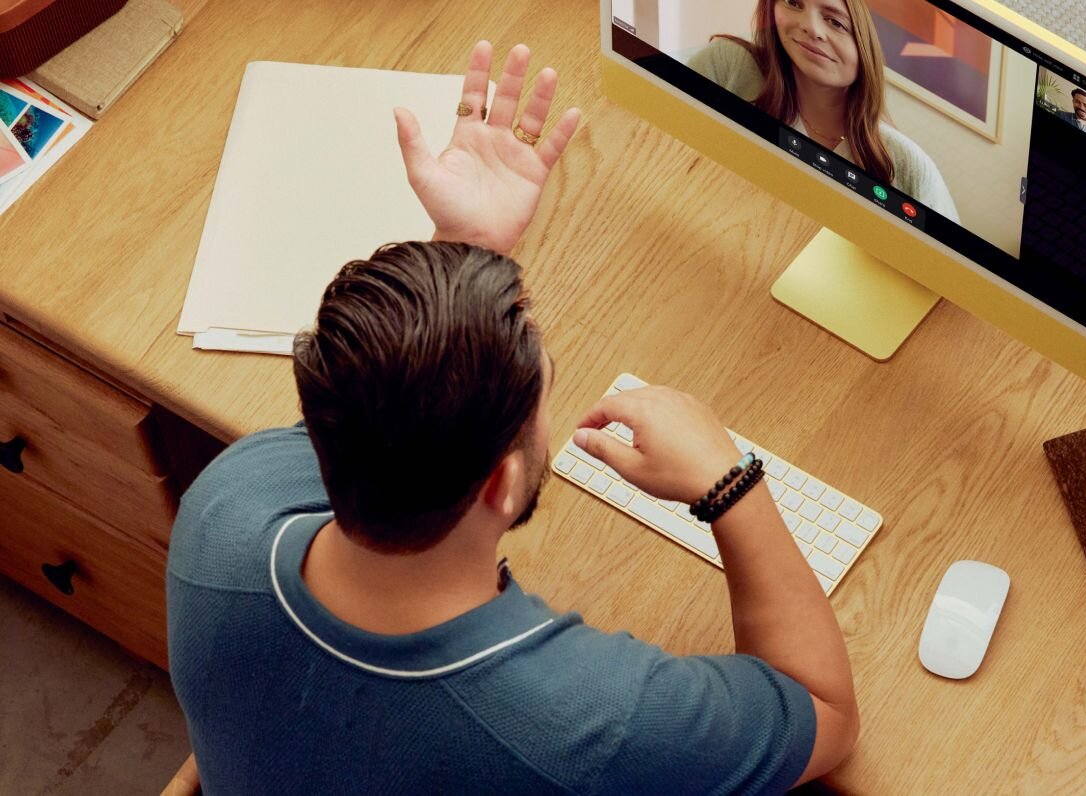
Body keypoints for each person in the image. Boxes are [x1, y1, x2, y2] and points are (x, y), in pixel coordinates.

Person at [166, 40, 860, 794]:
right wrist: (732, 483)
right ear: (501, 480)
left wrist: (465, 252)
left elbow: (378, 392)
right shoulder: (596, 725)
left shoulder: (222, 512)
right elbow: (824, 712)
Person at [689, 0, 959, 222]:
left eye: (835, 21)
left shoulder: (907, 165)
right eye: (794, 3)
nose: (810, 27)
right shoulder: (728, 67)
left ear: (867, 46)